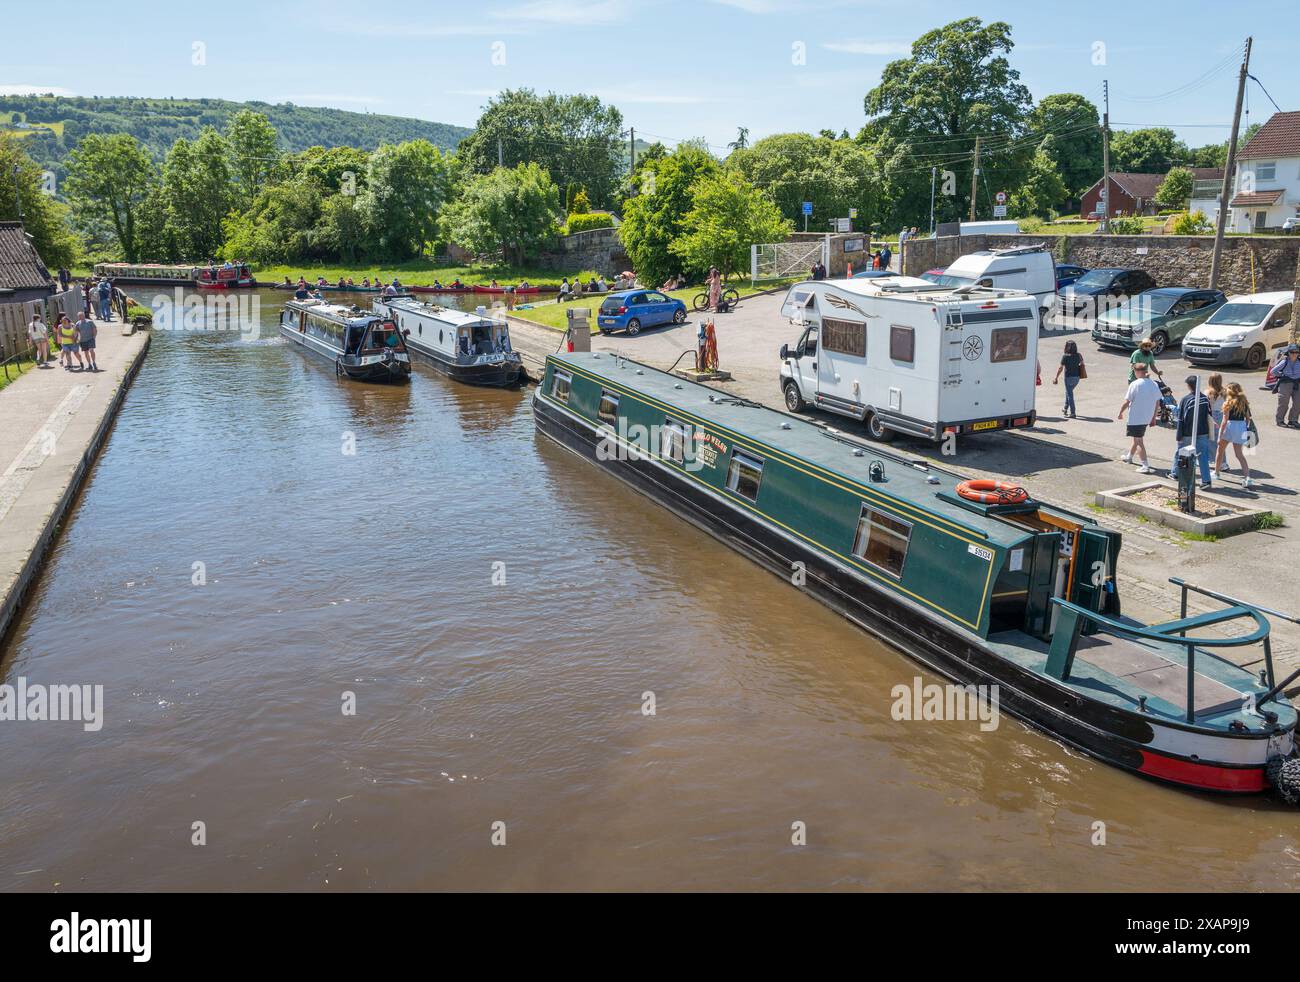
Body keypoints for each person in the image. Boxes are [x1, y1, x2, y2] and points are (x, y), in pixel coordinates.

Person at [1117, 361, 1160, 474]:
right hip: (1147, 417)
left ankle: (1145, 465)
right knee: (1137, 438)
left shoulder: (1135, 384)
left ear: (1136, 371)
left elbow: (1127, 401)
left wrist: (1120, 412)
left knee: (1139, 440)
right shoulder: (1153, 384)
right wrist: (1154, 417)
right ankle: (1129, 456)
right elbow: (1157, 403)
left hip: (1136, 417)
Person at [1170, 376, 1213, 489]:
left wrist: (1179, 435)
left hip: (1187, 433)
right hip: (1203, 431)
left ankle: (1176, 473)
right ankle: (1206, 480)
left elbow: (1181, 419)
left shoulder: (1186, 399)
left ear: (1189, 386)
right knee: (1203, 456)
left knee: (1180, 453)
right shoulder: (1205, 399)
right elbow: (1209, 415)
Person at [1216, 382, 1255, 489]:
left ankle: (1216, 473)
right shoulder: (1244, 402)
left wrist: (1219, 435)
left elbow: (1224, 421)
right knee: (1239, 454)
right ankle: (1247, 477)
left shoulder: (1228, 403)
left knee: (1220, 451)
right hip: (1241, 427)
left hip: (1230, 427)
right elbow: (1248, 418)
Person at [1052, 339, 1085, 418]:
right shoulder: (1079, 355)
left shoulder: (1065, 356)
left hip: (1068, 378)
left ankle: (1073, 413)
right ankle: (1065, 408)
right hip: (1077, 378)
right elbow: (1083, 364)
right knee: (1068, 392)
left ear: (1067, 347)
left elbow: (1060, 368)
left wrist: (1056, 377)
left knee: (1070, 395)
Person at [1271, 344, 1300, 427]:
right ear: (1288, 353)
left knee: (1298, 403)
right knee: (1283, 403)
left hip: (1297, 383)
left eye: (1296, 352)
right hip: (1285, 384)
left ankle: (1293, 420)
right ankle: (1280, 420)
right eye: (1292, 352)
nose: (1294, 354)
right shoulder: (1285, 361)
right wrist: (1281, 375)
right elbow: (1273, 371)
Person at [1206, 373, 1227, 444]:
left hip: (1212, 415)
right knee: (1221, 439)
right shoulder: (1225, 392)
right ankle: (1221, 455)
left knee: (1211, 438)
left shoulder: (1207, 392)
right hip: (1222, 414)